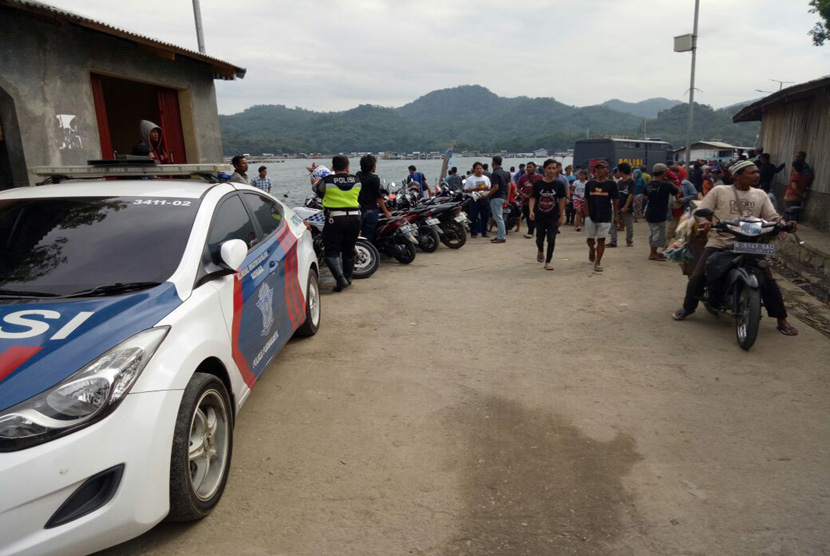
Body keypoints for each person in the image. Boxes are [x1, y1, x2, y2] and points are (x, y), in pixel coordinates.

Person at [672, 160, 799, 336]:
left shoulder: (761, 194)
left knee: (768, 281)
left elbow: (772, 216)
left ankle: (781, 319)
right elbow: (701, 211)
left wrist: (785, 224)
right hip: (721, 241)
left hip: (751, 244)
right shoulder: (720, 191)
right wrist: (705, 222)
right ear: (737, 176)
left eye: (756, 172)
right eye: (751, 172)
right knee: (698, 276)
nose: (757, 175)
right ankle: (688, 307)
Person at [313, 155, 361, 292]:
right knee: (349, 250)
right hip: (355, 218)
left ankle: (341, 280)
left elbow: (317, 191)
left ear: (332, 167)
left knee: (331, 252)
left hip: (335, 219)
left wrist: (316, 181)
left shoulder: (327, 180)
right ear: (348, 166)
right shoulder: (356, 180)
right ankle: (348, 278)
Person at [529, 159, 567, 270]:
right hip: (540, 215)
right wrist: (531, 211)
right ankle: (540, 250)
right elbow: (533, 198)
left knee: (551, 239)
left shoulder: (559, 184)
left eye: (554, 168)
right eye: (549, 168)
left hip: (553, 216)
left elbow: (561, 200)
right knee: (539, 239)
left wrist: (561, 215)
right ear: (545, 169)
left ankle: (548, 261)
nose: (551, 170)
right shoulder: (538, 183)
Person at [583, 160, 618, 272]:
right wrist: (586, 213)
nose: (599, 170)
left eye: (602, 168)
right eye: (597, 168)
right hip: (591, 215)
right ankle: (592, 249)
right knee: (590, 239)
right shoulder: (590, 184)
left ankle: (598, 262)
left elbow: (615, 200)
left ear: (607, 170)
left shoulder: (611, 184)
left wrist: (616, 215)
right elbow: (586, 199)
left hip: (605, 214)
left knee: (601, 240)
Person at [644, 163, 679, 261]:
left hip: (649, 211)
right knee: (658, 234)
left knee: (653, 233)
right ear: (664, 173)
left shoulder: (649, 184)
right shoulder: (666, 184)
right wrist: (670, 180)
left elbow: (646, 194)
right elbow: (676, 191)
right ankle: (652, 254)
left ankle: (654, 252)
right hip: (659, 213)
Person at [356, 154, 392, 241]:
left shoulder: (358, 175)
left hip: (358, 210)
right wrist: (386, 212)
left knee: (358, 233)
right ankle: (370, 250)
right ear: (372, 167)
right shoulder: (374, 178)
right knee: (369, 233)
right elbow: (379, 197)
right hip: (371, 210)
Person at [463, 162, 491, 238]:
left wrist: (486, 188)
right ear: (474, 169)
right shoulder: (470, 179)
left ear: (482, 169)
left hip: (484, 198)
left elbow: (489, 188)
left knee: (485, 216)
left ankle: (484, 232)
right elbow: (465, 190)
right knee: (473, 216)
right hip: (474, 199)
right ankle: (473, 233)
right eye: (477, 168)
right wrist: (476, 189)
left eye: (480, 168)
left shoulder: (486, 178)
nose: (479, 170)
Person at [487, 156, 511, 243]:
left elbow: (495, 187)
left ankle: (501, 237)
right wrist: (507, 198)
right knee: (499, 217)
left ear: (493, 162)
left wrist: (488, 195)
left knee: (498, 218)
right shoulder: (506, 173)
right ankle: (500, 235)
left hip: (496, 197)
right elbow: (509, 186)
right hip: (503, 197)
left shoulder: (495, 174)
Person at [610, 162, 635, 247]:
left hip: (627, 207)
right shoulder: (619, 182)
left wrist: (626, 206)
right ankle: (613, 241)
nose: (617, 173)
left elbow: (631, 195)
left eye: (618, 171)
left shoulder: (631, 181)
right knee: (614, 223)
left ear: (622, 172)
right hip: (618, 206)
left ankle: (629, 241)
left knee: (629, 225)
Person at [517, 161, 542, 238]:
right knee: (528, 217)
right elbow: (518, 188)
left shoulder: (539, 177)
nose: (528, 169)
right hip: (526, 201)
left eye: (530, 167)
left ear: (535, 168)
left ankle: (535, 231)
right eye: (527, 167)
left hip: (537, 201)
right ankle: (530, 231)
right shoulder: (523, 177)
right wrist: (523, 194)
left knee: (537, 216)